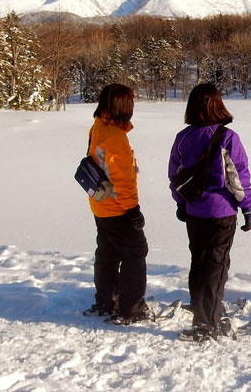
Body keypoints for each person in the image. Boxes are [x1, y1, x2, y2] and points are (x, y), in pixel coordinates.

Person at [169, 83, 251, 341]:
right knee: (215, 267)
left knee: (199, 262)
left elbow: (176, 177)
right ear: (218, 105)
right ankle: (207, 323)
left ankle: (203, 309)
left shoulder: (183, 138)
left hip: (195, 213)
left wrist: (181, 204)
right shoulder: (228, 138)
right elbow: (237, 178)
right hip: (221, 213)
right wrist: (248, 208)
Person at [82, 83, 150, 325]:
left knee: (107, 253)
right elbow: (122, 178)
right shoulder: (115, 137)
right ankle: (131, 307)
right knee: (135, 252)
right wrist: (133, 209)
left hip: (100, 204)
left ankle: (105, 300)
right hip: (117, 207)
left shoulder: (98, 127)